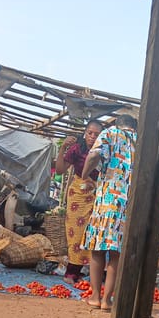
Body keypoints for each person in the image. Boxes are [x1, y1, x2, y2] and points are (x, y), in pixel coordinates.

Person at [81, 113, 138, 311]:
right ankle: (107, 300)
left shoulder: (111, 133)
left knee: (98, 250)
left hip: (108, 200)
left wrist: (85, 173)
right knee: (116, 253)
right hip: (130, 204)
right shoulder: (141, 142)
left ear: (118, 124)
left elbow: (94, 154)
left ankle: (95, 296)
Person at [55, 120, 104, 284]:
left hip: (98, 195)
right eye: (90, 133)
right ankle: (71, 271)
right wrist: (63, 148)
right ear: (85, 133)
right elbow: (60, 170)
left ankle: (89, 271)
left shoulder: (105, 152)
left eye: (96, 134)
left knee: (93, 232)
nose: (92, 136)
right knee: (75, 232)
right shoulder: (77, 149)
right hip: (78, 195)